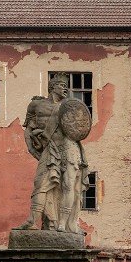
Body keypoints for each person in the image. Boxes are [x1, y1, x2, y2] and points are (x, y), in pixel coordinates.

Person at [18, 76, 87, 232]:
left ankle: (63, 224)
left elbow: (80, 127)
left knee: (68, 185)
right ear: (52, 87)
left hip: (69, 147)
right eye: (62, 85)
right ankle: (32, 222)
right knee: (40, 184)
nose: (65, 88)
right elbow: (28, 129)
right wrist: (31, 148)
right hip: (50, 148)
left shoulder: (69, 106)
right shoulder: (36, 105)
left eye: (66, 86)